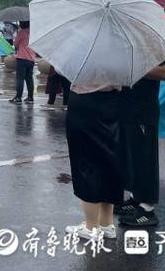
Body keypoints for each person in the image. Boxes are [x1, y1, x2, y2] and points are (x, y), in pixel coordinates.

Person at [65, 85, 124, 241]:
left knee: (86, 161)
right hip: (113, 101)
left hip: (85, 100)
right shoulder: (123, 67)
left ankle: (91, 227)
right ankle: (106, 224)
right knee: (109, 161)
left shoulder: (84, 66)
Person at [115, 63, 165, 228]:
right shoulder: (125, 48)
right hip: (127, 109)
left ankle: (147, 210)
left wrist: (134, 69)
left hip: (144, 110)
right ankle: (136, 200)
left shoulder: (151, 48)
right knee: (131, 157)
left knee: (145, 159)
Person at [9, 21, 35, 104]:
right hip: (31, 59)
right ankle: (30, 97)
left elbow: (15, 44)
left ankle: (18, 97)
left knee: (20, 78)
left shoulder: (22, 32)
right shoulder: (33, 32)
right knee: (29, 79)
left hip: (22, 58)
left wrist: (18, 35)